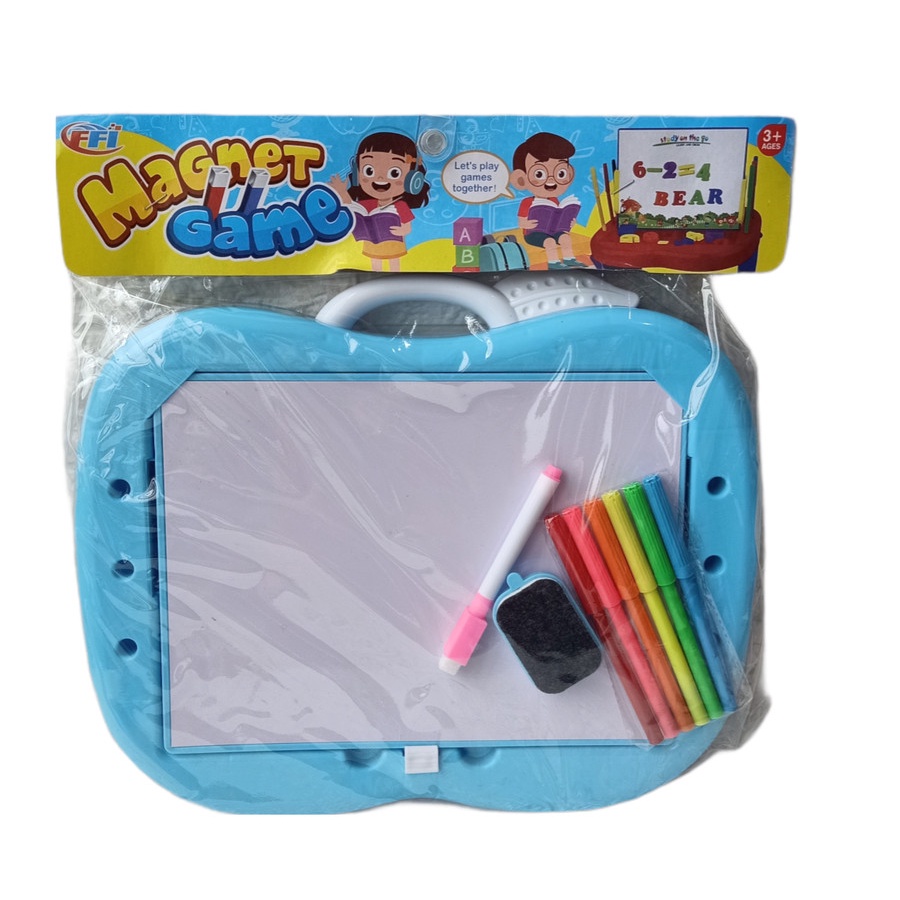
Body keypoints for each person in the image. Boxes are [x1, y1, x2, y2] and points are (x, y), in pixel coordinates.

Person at [330, 131, 429, 271]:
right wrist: (341, 193)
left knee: (394, 263)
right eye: (369, 171)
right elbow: (352, 206)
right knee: (375, 265)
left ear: (412, 178)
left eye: (394, 173)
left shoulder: (400, 205)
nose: (380, 179)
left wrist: (402, 230)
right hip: (372, 244)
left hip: (393, 243)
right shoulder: (366, 205)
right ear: (357, 173)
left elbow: (408, 226)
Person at [511, 132, 581, 269]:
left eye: (560, 173)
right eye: (539, 174)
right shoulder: (527, 202)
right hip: (533, 234)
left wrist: (570, 223)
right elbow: (521, 222)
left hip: (554, 231)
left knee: (565, 238)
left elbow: (558, 218)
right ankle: (553, 263)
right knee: (549, 242)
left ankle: (569, 259)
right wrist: (528, 224)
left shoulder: (554, 200)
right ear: (521, 179)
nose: (551, 181)